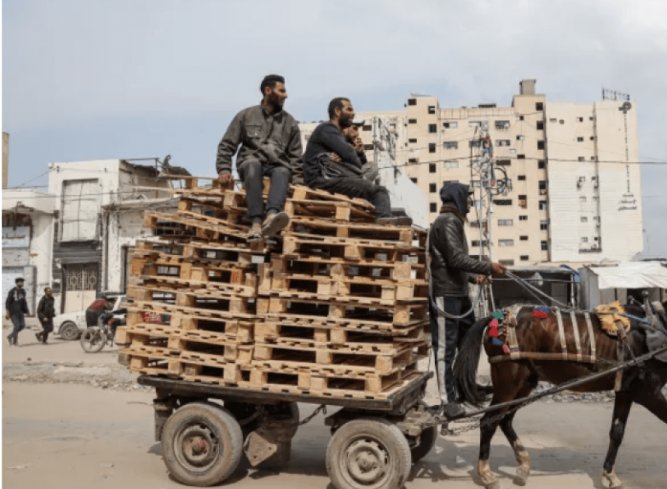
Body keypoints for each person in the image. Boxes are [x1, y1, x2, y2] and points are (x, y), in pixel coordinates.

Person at [428, 182, 507, 419]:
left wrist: (475, 277)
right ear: (458, 198)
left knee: (467, 344)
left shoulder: (454, 223)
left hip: (458, 292)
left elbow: (456, 263)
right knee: (445, 350)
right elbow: (455, 258)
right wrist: (488, 267)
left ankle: (466, 388)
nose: (470, 203)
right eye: (468, 199)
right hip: (446, 294)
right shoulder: (447, 222)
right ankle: (447, 401)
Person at [216, 74, 303, 240]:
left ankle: (272, 216)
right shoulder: (246, 116)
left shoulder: (290, 123)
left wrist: (299, 183)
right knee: (251, 165)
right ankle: (255, 222)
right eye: (281, 91)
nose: (286, 95)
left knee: (283, 171)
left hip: (276, 164)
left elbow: (296, 157)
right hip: (251, 161)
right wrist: (224, 169)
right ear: (268, 91)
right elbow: (227, 144)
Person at [303, 97, 409, 225]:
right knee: (379, 191)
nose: (352, 113)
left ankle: (385, 217)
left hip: (329, 177)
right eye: (349, 109)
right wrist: (347, 154)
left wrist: (350, 154)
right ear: (337, 111)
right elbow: (351, 157)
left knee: (370, 182)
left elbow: (356, 161)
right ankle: (384, 222)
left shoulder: (335, 134)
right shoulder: (327, 129)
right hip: (322, 180)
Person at [5, 277, 30, 346]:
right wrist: (7, 313)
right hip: (13, 312)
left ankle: (10, 336)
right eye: (20, 282)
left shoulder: (23, 291)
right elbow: (7, 302)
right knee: (17, 325)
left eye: (22, 282)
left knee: (22, 325)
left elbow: (24, 302)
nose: (22, 283)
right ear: (17, 283)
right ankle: (15, 342)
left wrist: (27, 311)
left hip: (20, 312)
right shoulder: (12, 291)